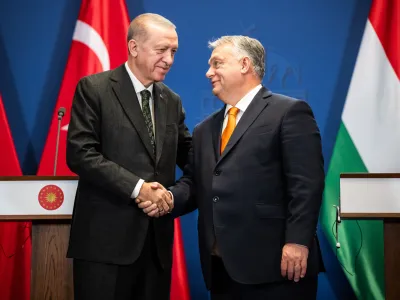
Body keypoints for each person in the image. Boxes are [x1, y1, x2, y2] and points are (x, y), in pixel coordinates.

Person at [139, 35, 325, 299]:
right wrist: (167, 198)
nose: (208, 72)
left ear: (244, 64)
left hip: (277, 267)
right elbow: (196, 183)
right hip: (222, 269)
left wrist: (297, 240)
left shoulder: (289, 112)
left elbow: (306, 184)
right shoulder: (205, 129)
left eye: (217, 64)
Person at [66, 13, 192, 300]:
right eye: (161, 50)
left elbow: (192, 158)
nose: (169, 59)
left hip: (155, 248)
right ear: (134, 48)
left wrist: (174, 196)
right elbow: (80, 154)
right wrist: (138, 188)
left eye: (173, 51)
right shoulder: (94, 89)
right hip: (104, 247)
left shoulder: (171, 100)